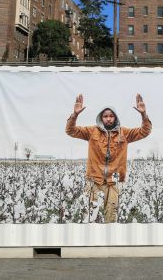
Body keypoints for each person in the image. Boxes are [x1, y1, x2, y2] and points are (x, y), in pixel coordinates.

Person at [65, 93, 152, 223]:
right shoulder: (91, 132)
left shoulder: (125, 133)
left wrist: (143, 115)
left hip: (114, 184)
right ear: (101, 118)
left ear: (115, 118)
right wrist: (75, 115)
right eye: (105, 116)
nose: (108, 119)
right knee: (90, 219)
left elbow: (144, 131)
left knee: (111, 220)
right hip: (94, 182)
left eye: (111, 116)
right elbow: (70, 130)